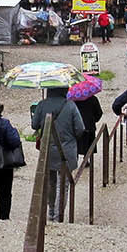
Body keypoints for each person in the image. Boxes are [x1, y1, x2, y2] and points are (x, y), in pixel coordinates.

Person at [31, 85, 84, 222]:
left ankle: (51, 211)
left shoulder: (42, 105)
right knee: (64, 184)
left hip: (47, 149)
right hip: (66, 150)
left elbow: (34, 125)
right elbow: (80, 129)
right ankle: (58, 216)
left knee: (50, 182)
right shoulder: (71, 105)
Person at [70, 86, 103, 163]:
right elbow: (99, 113)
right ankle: (86, 159)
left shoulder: (73, 100)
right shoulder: (93, 99)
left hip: (76, 126)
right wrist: (94, 120)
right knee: (89, 144)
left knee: (77, 144)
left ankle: (75, 159)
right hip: (89, 125)